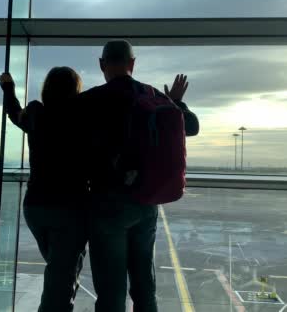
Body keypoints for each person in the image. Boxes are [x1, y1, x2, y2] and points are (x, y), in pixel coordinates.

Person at [77, 40, 199, 312]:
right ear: (133, 63)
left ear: (102, 64)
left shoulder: (90, 100)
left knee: (111, 290)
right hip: (146, 201)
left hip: (106, 201)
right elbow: (191, 126)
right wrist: (177, 102)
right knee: (144, 287)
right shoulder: (151, 95)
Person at [0, 67, 88, 312]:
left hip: (36, 205)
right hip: (69, 207)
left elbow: (14, 113)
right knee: (62, 277)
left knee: (60, 270)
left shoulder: (37, 114)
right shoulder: (83, 118)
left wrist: (8, 88)